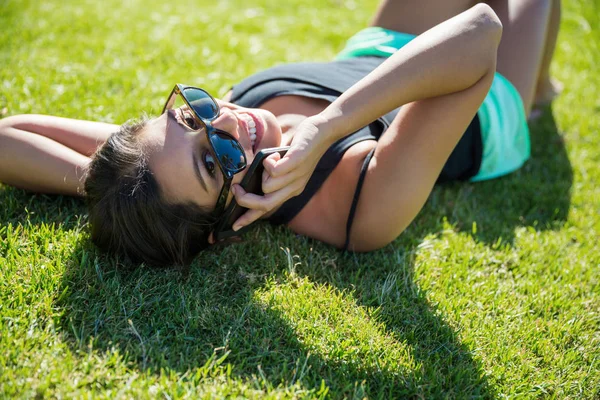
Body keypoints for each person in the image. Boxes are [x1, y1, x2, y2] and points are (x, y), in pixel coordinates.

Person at [0, 0, 562, 267]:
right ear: (227, 223)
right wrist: (328, 126)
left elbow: (7, 135)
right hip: (483, 97)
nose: (223, 122)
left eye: (188, 116)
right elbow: (479, 33)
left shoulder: (159, 170)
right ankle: (538, 96)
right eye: (215, 160)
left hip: (375, 52)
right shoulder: (359, 212)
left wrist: (112, 194)